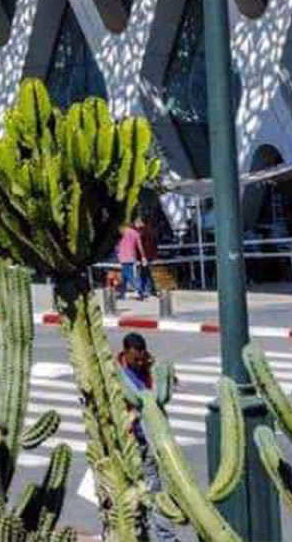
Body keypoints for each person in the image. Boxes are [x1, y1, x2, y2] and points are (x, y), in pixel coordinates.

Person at [118, 333, 180, 542]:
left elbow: (166, 388)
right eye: (135, 358)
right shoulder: (117, 374)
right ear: (125, 353)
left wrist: (158, 370)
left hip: (150, 441)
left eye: (141, 358)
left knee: (155, 494)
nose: (138, 362)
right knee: (131, 496)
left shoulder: (146, 367)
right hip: (129, 443)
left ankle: (165, 538)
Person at [116, 221, 145, 300]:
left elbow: (117, 245)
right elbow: (140, 247)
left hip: (122, 256)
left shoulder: (122, 233)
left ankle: (139, 290)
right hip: (131, 256)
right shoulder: (136, 234)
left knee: (129, 275)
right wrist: (143, 257)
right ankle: (122, 293)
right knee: (124, 276)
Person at [133, 214, 158, 299]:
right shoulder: (151, 231)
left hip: (143, 257)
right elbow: (155, 244)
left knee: (143, 274)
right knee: (146, 273)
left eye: (136, 222)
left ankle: (143, 291)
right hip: (149, 256)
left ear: (140, 222)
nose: (135, 224)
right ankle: (149, 291)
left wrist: (141, 257)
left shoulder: (141, 232)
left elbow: (139, 246)